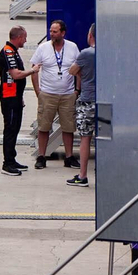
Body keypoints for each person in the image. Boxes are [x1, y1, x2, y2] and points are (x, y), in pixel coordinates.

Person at [28, 20, 81, 169]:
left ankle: (69, 157)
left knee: (68, 127)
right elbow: (34, 70)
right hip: (47, 94)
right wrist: (38, 91)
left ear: (63, 33)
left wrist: (77, 90)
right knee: (44, 126)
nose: (51, 34)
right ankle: (41, 156)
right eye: (51, 31)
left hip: (67, 95)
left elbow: (78, 69)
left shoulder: (72, 47)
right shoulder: (43, 48)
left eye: (55, 31)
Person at [0, 26, 39, 176]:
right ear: (19, 37)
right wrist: (33, 70)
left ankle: (12, 159)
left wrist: (20, 97)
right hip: (9, 98)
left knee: (15, 129)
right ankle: (7, 163)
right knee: (10, 129)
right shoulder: (8, 52)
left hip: (15, 97)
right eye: (24, 37)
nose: (26, 40)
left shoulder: (14, 52)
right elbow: (15, 75)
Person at [67, 24, 97, 187]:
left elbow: (72, 71)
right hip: (105, 101)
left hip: (87, 100)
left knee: (85, 138)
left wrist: (83, 74)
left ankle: (83, 175)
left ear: (90, 35)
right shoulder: (110, 51)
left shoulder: (86, 53)